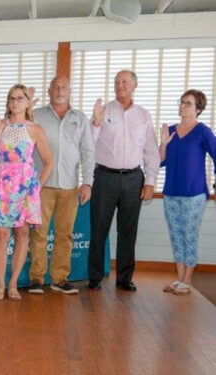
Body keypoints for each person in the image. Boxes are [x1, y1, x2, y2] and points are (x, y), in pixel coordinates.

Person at [0, 84, 53, 301]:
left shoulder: (35, 129)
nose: (15, 102)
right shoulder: (0, 126)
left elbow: (49, 162)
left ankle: (13, 284)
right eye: (12, 98)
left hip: (25, 189)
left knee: (22, 234)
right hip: (0, 186)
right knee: (1, 235)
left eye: (20, 98)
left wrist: (36, 187)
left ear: (28, 102)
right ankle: (0, 284)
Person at [88, 70, 160, 292]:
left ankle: (124, 278)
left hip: (133, 179)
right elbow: (89, 145)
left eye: (125, 81)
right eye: (117, 81)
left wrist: (149, 182)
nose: (120, 85)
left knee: (128, 231)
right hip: (105, 177)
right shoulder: (103, 111)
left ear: (134, 85)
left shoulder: (143, 115)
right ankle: (95, 277)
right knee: (99, 228)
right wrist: (96, 123)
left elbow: (151, 151)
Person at [27, 76, 95, 295]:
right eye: (55, 86)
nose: (59, 90)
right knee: (38, 233)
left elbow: (87, 152)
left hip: (70, 186)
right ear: (49, 90)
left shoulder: (81, 118)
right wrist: (26, 105)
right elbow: (17, 134)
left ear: (70, 90)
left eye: (64, 87)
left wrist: (87, 182)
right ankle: (36, 279)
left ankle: (59, 279)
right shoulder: (36, 115)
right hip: (42, 185)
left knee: (64, 235)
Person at [159, 89, 216, 295]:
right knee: (176, 235)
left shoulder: (203, 131)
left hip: (194, 193)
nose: (182, 106)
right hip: (171, 192)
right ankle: (179, 278)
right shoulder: (171, 130)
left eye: (188, 103)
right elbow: (160, 161)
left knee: (189, 235)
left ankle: (187, 280)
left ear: (198, 109)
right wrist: (164, 143)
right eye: (181, 102)